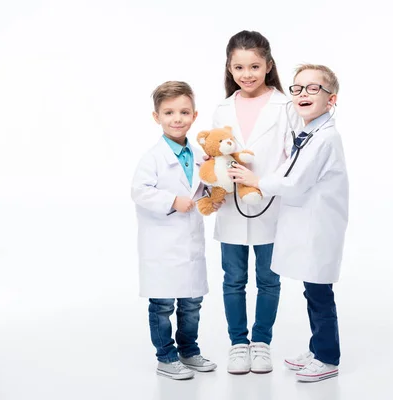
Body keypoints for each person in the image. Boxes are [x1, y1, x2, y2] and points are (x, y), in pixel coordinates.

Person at [227, 64, 348, 382]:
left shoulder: (325, 139)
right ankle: (317, 346)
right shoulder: (309, 134)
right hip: (308, 225)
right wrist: (263, 179)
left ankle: (327, 356)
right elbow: (286, 170)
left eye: (312, 88)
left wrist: (256, 180)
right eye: (297, 88)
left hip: (320, 227)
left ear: (331, 99)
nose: (302, 94)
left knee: (320, 292)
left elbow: (294, 182)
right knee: (312, 289)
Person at [212, 30, 300, 375]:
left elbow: (295, 158)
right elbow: (214, 152)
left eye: (253, 66)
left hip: (270, 203)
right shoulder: (222, 108)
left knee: (268, 279)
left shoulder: (286, 106)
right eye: (239, 67)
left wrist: (266, 182)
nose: (246, 74)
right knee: (233, 279)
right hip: (231, 207)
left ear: (268, 66)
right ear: (229, 69)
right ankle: (238, 344)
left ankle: (261, 342)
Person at [131, 81, 218, 380]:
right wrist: (172, 201)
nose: (176, 118)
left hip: (190, 243)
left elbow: (205, 185)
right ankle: (166, 357)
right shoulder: (152, 157)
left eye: (183, 112)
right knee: (163, 303)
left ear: (194, 116)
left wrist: (210, 197)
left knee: (192, 302)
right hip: (162, 244)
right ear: (157, 117)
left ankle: (189, 351)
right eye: (169, 112)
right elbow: (139, 192)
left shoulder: (199, 155)